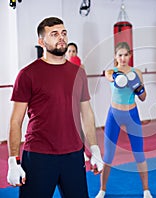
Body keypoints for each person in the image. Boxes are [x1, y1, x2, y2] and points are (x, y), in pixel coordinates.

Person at [6, 17, 103, 198]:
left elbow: (87, 113)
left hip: (74, 155)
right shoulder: (27, 74)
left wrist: (95, 149)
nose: (61, 38)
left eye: (64, 33)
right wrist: (13, 160)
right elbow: (15, 121)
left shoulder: (79, 73)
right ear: (41, 41)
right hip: (38, 156)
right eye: (54, 34)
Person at [95, 42, 152, 198]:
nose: (123, 58)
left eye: (126, 55)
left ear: (130, 56)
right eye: (120, 55)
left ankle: (146, 190)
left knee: (139, 153)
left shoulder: (137, 73)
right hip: (114, 115)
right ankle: (102, 189)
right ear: (115, 56)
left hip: (132, 114)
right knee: (108, 155)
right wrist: (118, 77)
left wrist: (137, 87)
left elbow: (143, 97)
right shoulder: (111, 71)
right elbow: (110, 77)